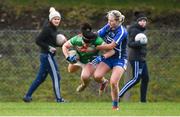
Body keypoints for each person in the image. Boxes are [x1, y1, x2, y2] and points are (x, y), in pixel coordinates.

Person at [23, 7, 66, 102]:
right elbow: (38, 40)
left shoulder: (53, 28)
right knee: (56, 76)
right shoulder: (47, 28)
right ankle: (59, 99)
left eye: (58, 19)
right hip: (47, 56)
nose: (57, 20)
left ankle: (27, 96)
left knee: (40, 78)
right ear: (51, 20)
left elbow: (51, 41)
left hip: (46, 56)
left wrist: (62, 43)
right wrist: (49, 48)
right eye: (55, 19)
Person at [62, 23, 114, 92]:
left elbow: (112, 51)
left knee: (85, 76)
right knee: (70, 70)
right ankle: (77, 62)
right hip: (78, 58)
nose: (86, 44)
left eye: (88, 43)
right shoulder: (77, 39)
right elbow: (64, 46)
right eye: (85, 42)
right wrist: (67, 57)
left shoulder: (98, 40)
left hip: (90, 61)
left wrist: (101, 57)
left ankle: (89, 84)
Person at [92, 10, 128, 110]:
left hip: (120, 59)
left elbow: (111, 46)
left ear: (117, 21)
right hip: (108, 57)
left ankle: (115, 106)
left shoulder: (122, 31)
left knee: (114, 82)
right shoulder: (108, 26)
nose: (109, 23)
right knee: (97, 76)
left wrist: (96, 47)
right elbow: (97, 35)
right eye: (108, 20)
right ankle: (104, 82)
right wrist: (86, 37)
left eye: (111, 21)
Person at [118, 12, 149, 103]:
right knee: (136, 78)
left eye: (144, 21)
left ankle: (143, 101)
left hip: (142, 58)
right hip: (135, 58)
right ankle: (119, 94)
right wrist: (139, 43)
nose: (143, 22)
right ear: (138, 21)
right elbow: (130, 43)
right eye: (141, 21)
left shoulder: (141, 30)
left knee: (146, 78)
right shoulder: (134, 30)